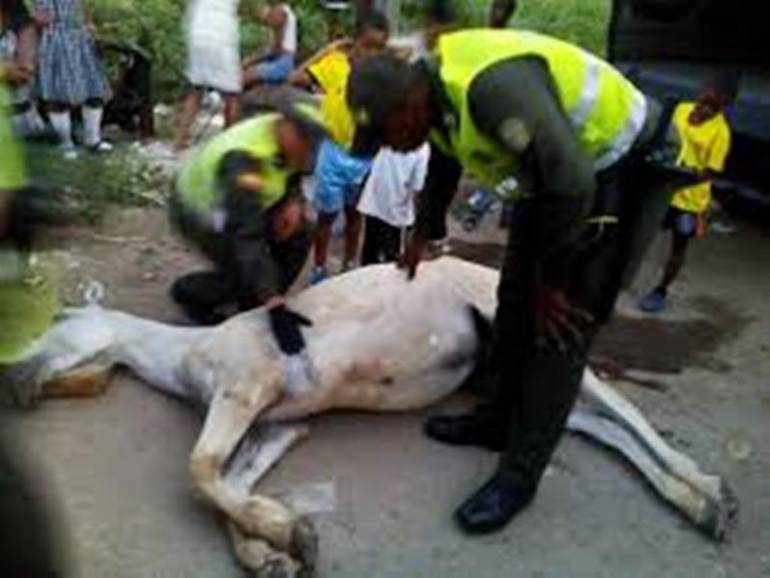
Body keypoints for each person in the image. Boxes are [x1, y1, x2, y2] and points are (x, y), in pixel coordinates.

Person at [347, 29, 677, 534]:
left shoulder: (489, 92)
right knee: (513, 299)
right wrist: (424, 231)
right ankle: (495, 419)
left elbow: (573, 185)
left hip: (614, 166)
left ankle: (519, 477)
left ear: (409, 104)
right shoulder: (432, 97)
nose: (389, 148)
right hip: (550, 178)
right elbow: (446, 156)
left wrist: (553, 284)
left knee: (560, 328)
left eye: (388, 135)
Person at [170, 103, 326, 343]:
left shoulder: (288, 139)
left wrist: (292, 201)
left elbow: (293, 173)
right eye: (305, 143)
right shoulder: (243, 159)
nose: (309, 152)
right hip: (203, 211)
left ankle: (254, 303)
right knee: (244, 270)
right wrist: (273, 302)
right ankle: (190, 293)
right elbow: (247, 236)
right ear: (285, 126)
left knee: (300, 233)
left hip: (253, 201)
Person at [288, 10, 389, 283]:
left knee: (356, 215)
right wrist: (326, 50)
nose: (372, 54)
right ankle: (319, 268)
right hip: (333, 154)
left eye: (379, 48)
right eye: (368, 46)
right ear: (354, 42)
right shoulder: (335, 64)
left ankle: (348, 265)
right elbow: (294, 78)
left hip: (366, 157)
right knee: (326, 218)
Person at [638, 88, 732, 313]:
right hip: (662, 187)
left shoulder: (721, 133)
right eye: (702, 104)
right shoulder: (680, 110)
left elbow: (710, 172)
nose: (704, 110)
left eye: (711, 109)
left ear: (719, 111)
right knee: (639, 229)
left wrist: (681, 177)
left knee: (678, 245)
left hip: (689, 198)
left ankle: (660, 290)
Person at [33, 0, 112, 157]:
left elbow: (85, 5)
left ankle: (93, 139)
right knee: (56, 92)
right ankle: (65, 143)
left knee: (93, 88)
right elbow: (36, 15)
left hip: (80, 35)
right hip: (52, 37)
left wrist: (89, 26)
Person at [175, 0, 242, 151]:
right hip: (222, 35)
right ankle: (229, 144)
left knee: (196, 89)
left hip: (198, 33)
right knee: (233, 94)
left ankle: (179, 143)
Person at [358, 143, 429, 264]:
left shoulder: (420, 148)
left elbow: (418, 187)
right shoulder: (422, 148)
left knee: (373, 250)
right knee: (385, 255)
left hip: (385, 207)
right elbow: (418, 186)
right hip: (391, 210)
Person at [1, 0, 46, 138]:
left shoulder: (24, 27)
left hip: (20, 121)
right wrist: (6, 69)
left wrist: (5, 70)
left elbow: (24, 74)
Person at [242, 0, 297, 90]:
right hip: (282, 61)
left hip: (281, 64)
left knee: (242, 78)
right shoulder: (284, 10)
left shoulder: (280, 13)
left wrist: (251, 60)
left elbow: (277, 50)